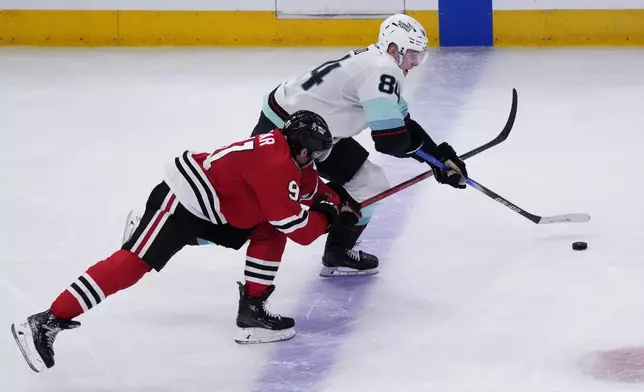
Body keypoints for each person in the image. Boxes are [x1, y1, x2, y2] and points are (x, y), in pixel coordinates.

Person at [11, 111, 358, 373]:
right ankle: (47, 319)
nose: (315, 161)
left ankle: (252, 312)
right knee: (132, 266)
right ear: (299, 147)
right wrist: (329, 214)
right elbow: (301, 230)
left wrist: (335, 198)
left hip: (220, 207)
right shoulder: (274, 164)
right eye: (313, 153)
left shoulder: (290, 154)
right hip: (182, 203)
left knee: (268, 228)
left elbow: (310, 187)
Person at [250, 14, 469, 277]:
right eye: (411, 54)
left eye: (419, 56)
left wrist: (439, 157)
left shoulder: (378, 63)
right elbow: (390, 140)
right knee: (262, 206)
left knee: (370, 184)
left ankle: (338, 253)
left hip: (312, 132)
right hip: (287, 133)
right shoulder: (383, 70)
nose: (414, 62)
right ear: (393, 49)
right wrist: (432, 161)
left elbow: (403, 124)